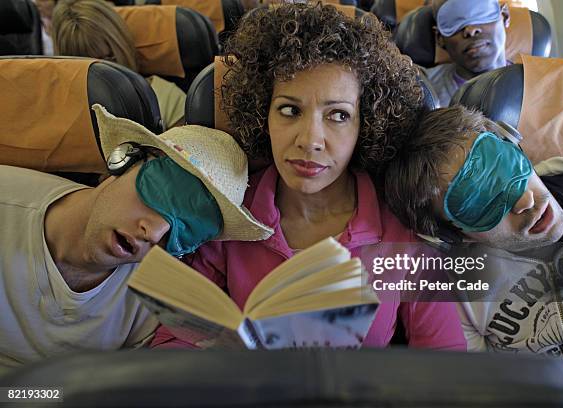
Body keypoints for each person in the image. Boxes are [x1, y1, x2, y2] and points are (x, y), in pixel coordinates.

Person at [152, 3, 466, 350]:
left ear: (367, 125)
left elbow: (445, 359)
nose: (309, 141)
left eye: (338, 116)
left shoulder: (401, 226)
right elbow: (172, 342)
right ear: (262, 114)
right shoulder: (227, 214)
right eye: (290, 110)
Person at [0, 104, 272, 370]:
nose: (153, 234)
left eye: (183, 234)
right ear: (124, 160)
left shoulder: (152, 305)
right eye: (160, 194)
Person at [385, 106, 563, 366]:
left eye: (508, 166)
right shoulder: (458, 293)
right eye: (481, 204)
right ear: (451, 236)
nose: (526, 201)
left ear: (513, 143)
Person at [51, 0, 186, 129]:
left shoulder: (167, 99)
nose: (102, 75)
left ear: (123, 46)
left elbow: (185, 152)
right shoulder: (64, 110)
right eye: (89, 69)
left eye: (110, 58)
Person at [425, 0, 510, 106]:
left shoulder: (533, 85)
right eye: (454, 19)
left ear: (504, 16)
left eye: (480, 11)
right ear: (440, 38)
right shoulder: (422, 91)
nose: (471, 30)